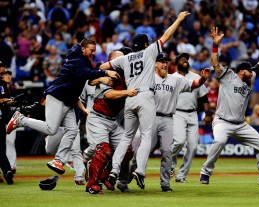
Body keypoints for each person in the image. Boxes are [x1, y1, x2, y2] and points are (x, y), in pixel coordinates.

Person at [99, 11, 190, 190]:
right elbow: (167, 35)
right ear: (147, 44)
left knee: (126, 137)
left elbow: (101, 66)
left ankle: (114, 170)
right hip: (145, 96)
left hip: (130, 97)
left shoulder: (124, 58)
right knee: (147, 135)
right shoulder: (149, 52)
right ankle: (139, 171)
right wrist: (178, 19)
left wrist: (104, 74)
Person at [6, 38, 119, 175]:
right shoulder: (76, 60)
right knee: (51, 129)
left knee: (72, 130)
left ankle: (58, 160)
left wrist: (103, 71)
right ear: (83, 49)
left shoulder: (83, 60)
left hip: (69, 101)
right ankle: (21, 120)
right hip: (56, 97)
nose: (93, 53)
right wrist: (105, 73)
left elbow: (91, 74)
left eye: (95, 51)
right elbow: (87, 74)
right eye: (91, 50)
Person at [200, 27, 259, 190]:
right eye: (248, 71)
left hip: (241, 124)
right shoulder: (228, 76)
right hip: (222, 121)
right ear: (240, 71)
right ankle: (206, 172)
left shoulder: (249, 78)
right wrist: (215, 45)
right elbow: (215, 63)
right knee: (221, 140)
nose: (252, 73)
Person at [130, 52, 210, 192]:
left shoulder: (175, 80)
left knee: (167, 151)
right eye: (162, 61)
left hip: (168, 118)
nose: (165, 64)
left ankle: (165, 183)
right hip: (151, 118)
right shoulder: (148, 78)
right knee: (142, 150)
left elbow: (195, 84)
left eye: (166, 61)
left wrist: (202, 79)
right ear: (155, 64)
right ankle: (129, 176)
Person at [84, 50, 138, 194]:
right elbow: (109, 94)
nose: (122, 61)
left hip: (115, 120)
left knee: (126, 152)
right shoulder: (106, 73)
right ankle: (92, 185)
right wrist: (128, 92)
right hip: (99, 118)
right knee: (104, 150)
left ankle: (104, 174)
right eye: (118, 59)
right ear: (110, 61)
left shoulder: (127, 74)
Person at [170, 53, 209, 183]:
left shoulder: (197, 77)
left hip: (193, 113)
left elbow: (203, 96)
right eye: (182, 59)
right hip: (177, 113)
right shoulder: (171, 78)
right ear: (177, 63)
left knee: (193, 147)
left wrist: (207, 114)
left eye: (186, 59)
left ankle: (181, 175)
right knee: (179, 142)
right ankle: (170, 166)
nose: (185, 60)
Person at [0, 61, 14, 184]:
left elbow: (6, 100)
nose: (2, 73)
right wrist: (4, 100)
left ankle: (6, 171)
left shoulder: (2, 84)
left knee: (2, 147)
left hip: (1, 118)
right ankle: (6, 170)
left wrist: (12, 101)